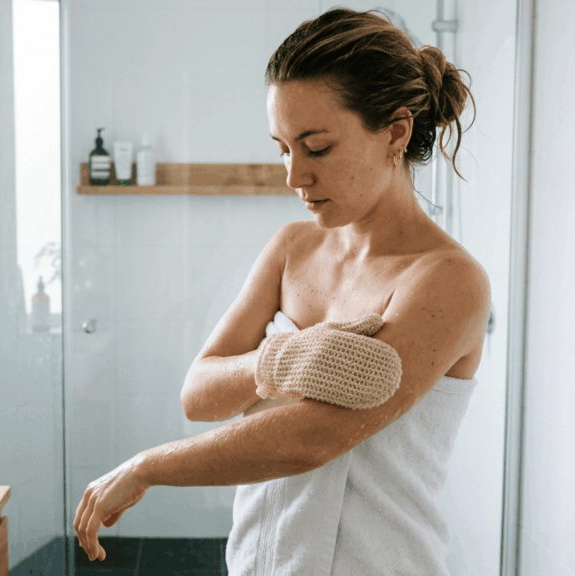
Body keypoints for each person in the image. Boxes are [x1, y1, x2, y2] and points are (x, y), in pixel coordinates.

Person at [75, 8, 489, 574]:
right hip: (259, 560)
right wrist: (287, 359)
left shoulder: (447, 279)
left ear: (395, 132)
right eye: (282, 148)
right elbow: (198, 394)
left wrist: (147, 466)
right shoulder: (293, 247)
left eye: (316, 147)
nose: (294, 176)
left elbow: (315, 438)